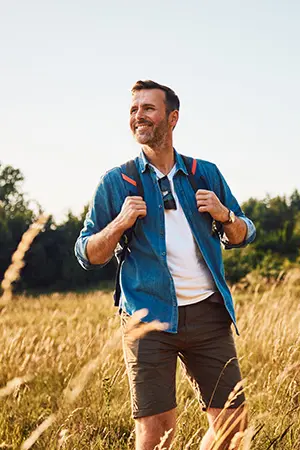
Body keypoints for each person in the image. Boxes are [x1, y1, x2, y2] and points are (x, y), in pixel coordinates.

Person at [75, 80, 256, 450]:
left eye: (148, 108)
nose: (138, 115)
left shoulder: (204, 173)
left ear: (172, 118)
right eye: (133, 109)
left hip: (208, 313)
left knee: (234, 427)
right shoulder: (116, 181)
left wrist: (224, 215)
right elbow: (88, 253)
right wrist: (119, 223)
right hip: (147, 316)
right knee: (157, 434)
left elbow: (243, 233)